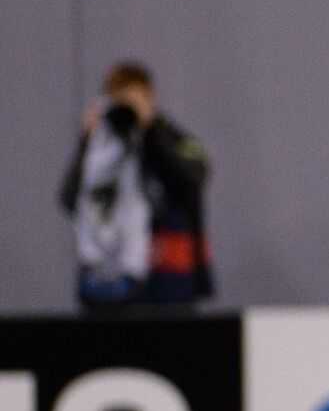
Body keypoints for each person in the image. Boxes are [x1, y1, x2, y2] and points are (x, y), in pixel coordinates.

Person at [59, 61, 215, 311]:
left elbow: (192, 180)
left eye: (132, 102)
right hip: (110, 285)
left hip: (168, 284)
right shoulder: (102, 148)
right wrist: (87, 142)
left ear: (150, 98)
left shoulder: (174, 138)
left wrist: (149, 129)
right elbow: (69, 199)